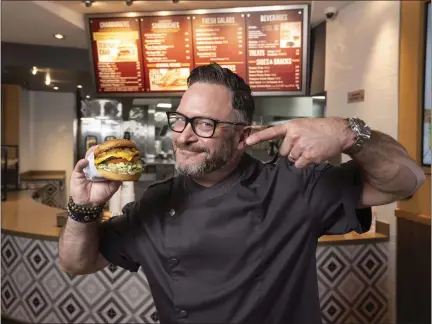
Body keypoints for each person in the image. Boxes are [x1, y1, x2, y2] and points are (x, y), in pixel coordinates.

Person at [59, 63, 425, 324]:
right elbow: (77, 263)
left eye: (204, 124)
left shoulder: (292, 185)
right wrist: (82, 208)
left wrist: (349, 133)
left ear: (242, 134)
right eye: (180, 120)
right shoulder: (155, 202)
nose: (184, 136)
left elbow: (408, 180)